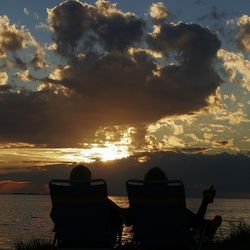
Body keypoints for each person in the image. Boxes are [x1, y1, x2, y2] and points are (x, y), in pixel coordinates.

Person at [126, 167, 222, 239]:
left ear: (145, 186)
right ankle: (211, 225)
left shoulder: (140, 206)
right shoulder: (173, 205)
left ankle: (211, 224)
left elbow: (128, 222)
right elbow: (196, 223)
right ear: (166, 185)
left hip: (147, 245)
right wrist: (205, 200)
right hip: (175, 245)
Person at [50, 165, 123, 246]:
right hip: (97, 241)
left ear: (70, 180)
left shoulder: (62, 196)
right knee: (118, 218)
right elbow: (118, 212)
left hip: (68, 241)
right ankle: (119, 244)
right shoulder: (97, 197)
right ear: (89, 182)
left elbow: (54, 215)